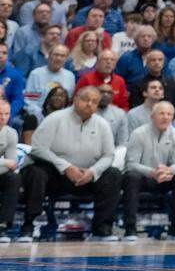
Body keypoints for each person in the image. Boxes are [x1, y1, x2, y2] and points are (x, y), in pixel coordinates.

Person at [22, 86, 121, 241]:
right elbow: (37, 148)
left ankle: (102, 229)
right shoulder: (55, 118)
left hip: (85, 176)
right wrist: (65, 166)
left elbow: (109, 155)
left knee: (113, 174)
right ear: (75, 99)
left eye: (94, 102)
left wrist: (93, 172)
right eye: (85, 99)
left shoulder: (102, 124)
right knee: (36, 172)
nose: (89, 104)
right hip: (55, 175)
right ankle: (29, 226)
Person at [123, 101, 175, 239]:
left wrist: (168, 170)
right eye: (162, 113)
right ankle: (130, 228)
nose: (165, 117)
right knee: (131, 176)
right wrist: (152, 172)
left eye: (169, 114)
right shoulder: (138, 133)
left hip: (165, 177)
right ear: (152, 116)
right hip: (144, 178)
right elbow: (131, 164)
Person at [0, 100, 20, 238]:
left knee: (13, 178)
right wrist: (3, 162)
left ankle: (4, 224)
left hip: (2, 173)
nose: (3, 118)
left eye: (6, 114)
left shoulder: (11, 133)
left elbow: (12, 164)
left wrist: (5, 163)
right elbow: (7, 162)